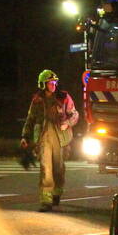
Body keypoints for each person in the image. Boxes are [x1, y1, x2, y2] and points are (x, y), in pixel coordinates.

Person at [21, 69, 79, 212]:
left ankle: (56, 194)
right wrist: (25, 137)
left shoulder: (64, 97)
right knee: (46, 170)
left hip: (60, 138)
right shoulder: (37, 100)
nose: (53, 85)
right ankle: (46, 201)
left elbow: (74, 114)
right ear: (43, 84)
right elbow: (30, 119)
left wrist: (68, 123)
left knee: (58, 169)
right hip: (43, 138)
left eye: (54, 82)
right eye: (50, 83)